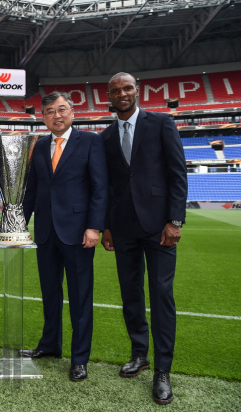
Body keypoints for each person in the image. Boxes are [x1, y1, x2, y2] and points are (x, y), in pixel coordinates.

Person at [100, 72, 187, 405]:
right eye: (116, 91)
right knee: (130, 294)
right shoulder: (106, 137)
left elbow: (178, 173)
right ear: (109, 96)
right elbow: (107, 186)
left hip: (159, 226)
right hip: (123, 228)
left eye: (127, 88)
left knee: (161, 294)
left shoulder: (161, 123)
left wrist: (175, 220)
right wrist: (107, 225)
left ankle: (163, 370)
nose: (122, 94)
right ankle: (140, 353)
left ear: (137, 91)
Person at [20, 91, 108, 382]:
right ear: (43, 117)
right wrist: (19, 224)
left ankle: (79, 358)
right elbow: (32, 189)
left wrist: (95, 226)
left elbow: (99, 187)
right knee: (50, 292)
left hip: (78, 232)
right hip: (46, 232)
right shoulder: (40, 144)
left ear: (72, 112)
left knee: (80, 296)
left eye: (61, 110)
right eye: (49, 111)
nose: (56, 116)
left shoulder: (91, 141)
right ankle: (50, 345)